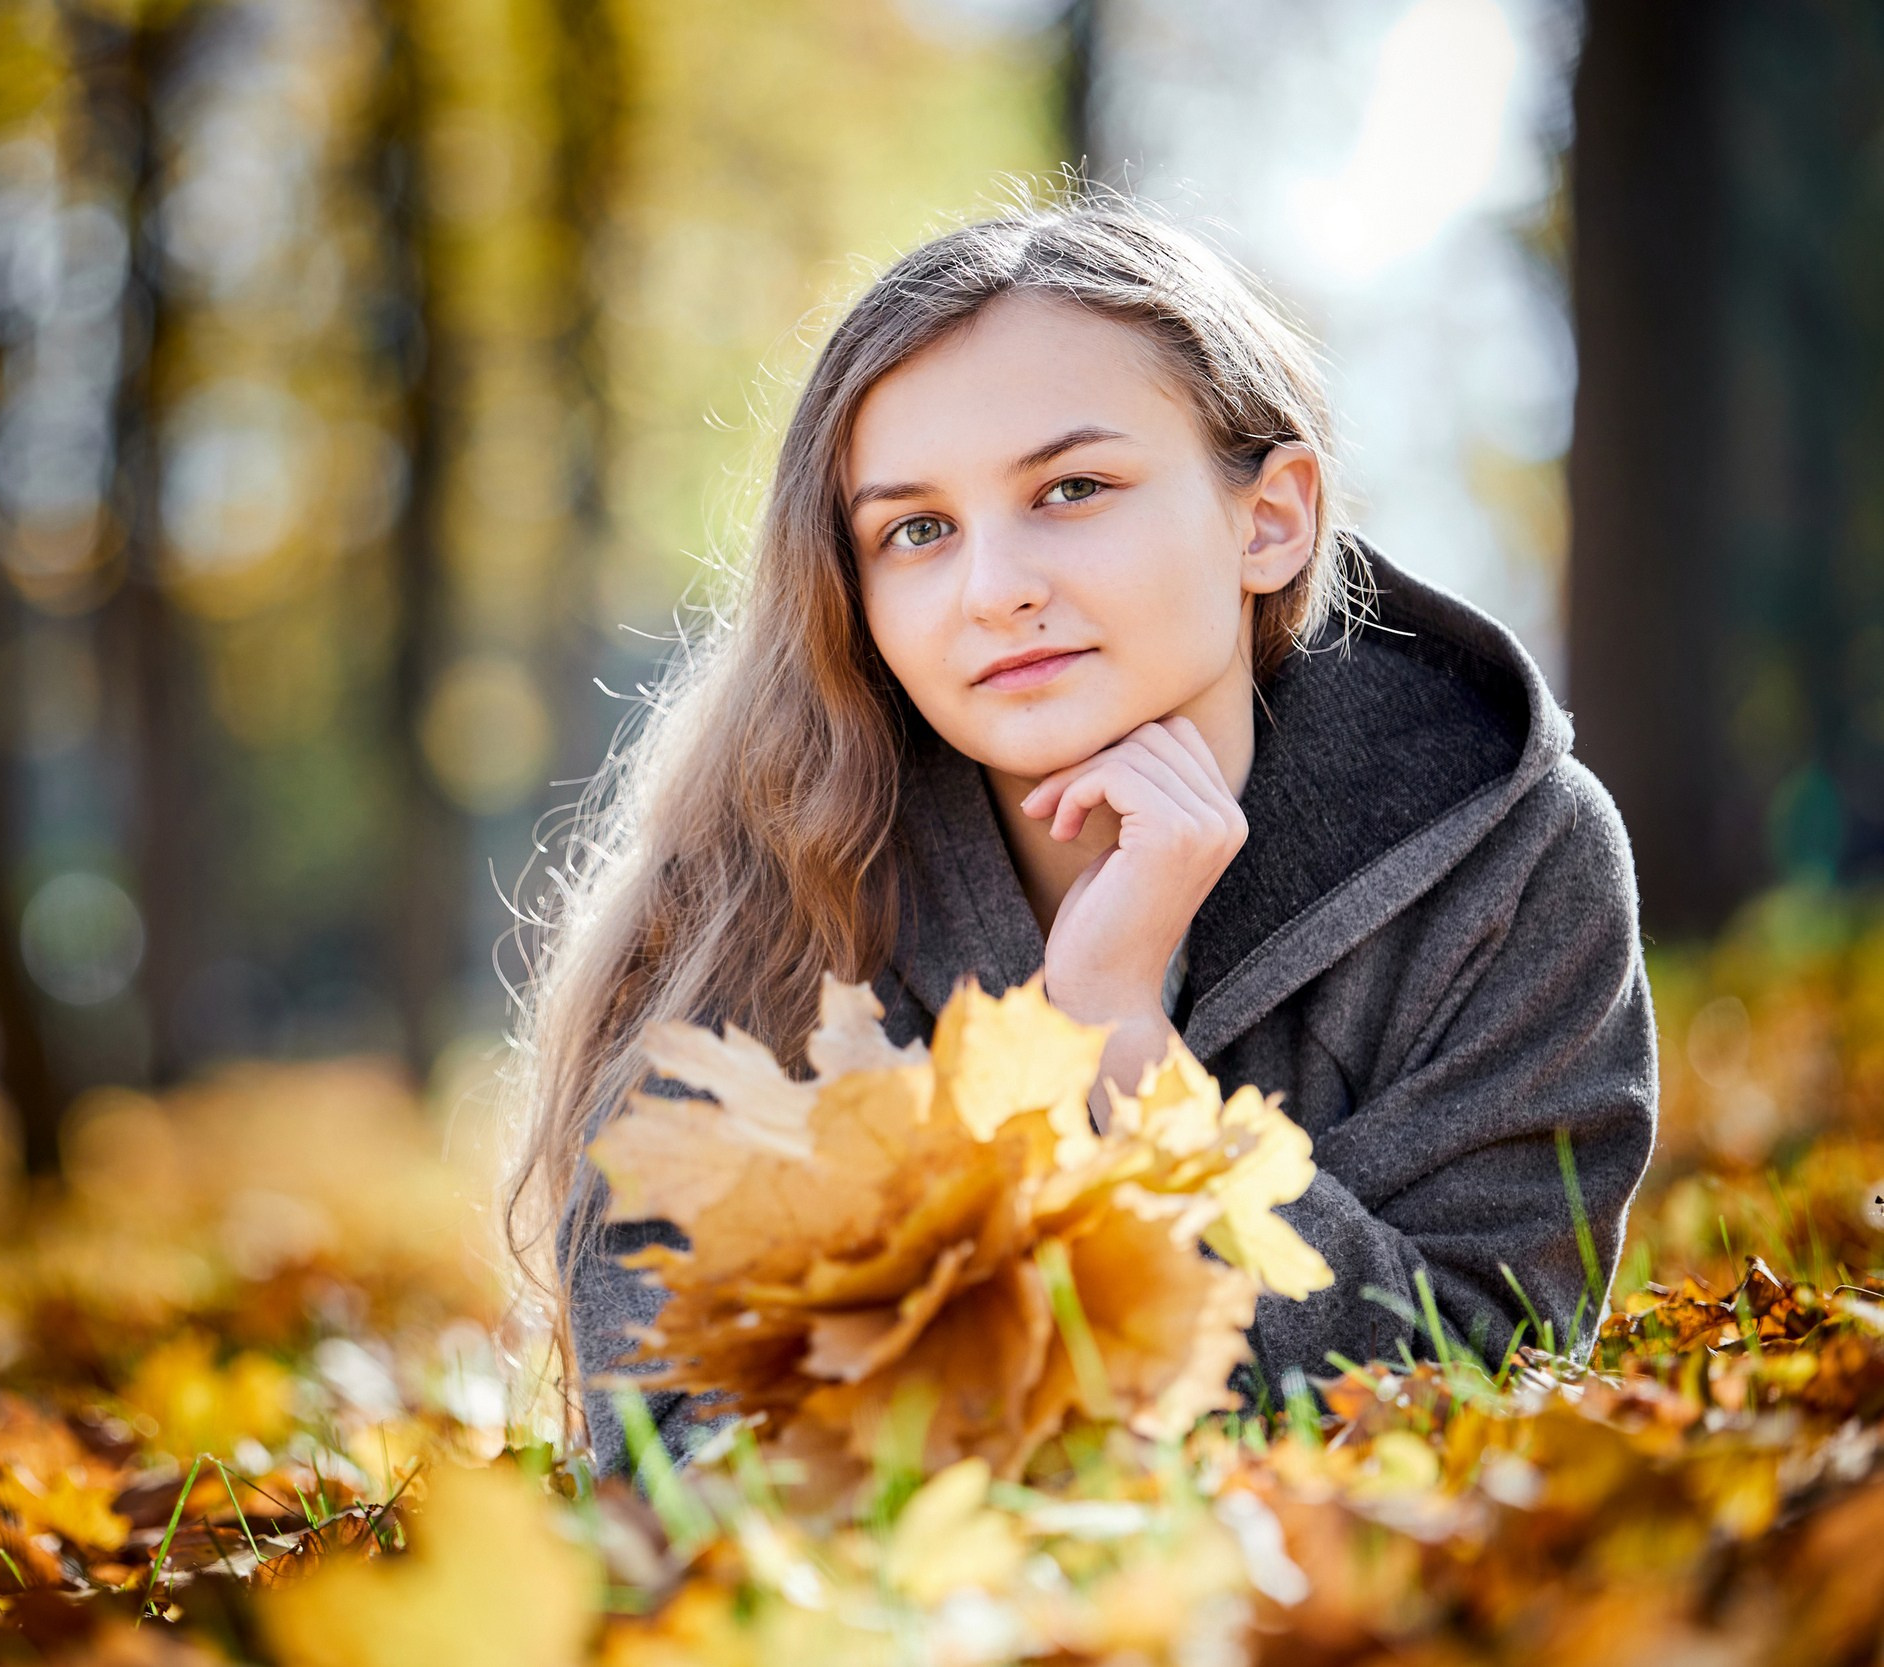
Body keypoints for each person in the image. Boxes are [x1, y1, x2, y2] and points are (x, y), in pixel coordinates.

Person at [499, 198, 1658, 1476]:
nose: (994, 587)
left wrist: (1119, 1043)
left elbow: (1473, 1380)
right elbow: (665, 1442)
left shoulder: (1512, 861)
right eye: (916, 530)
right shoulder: (747, 887)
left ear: (1268, 518)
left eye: (1071, 488)